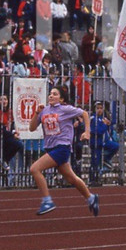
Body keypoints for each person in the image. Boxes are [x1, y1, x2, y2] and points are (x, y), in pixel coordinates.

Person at [28, 85, 99, 216]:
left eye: (55, 94)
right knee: (71, 178)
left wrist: (87, 132)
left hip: (62, 147)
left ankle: (47, 201)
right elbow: (32, 128)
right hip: (51, 148)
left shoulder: (65, 109)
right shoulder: (44, 110)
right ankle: (91, 197)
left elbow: (84, 113)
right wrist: (37, 113)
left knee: (34, 169)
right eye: (50, 93)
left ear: (61, 99)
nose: (51, 96)